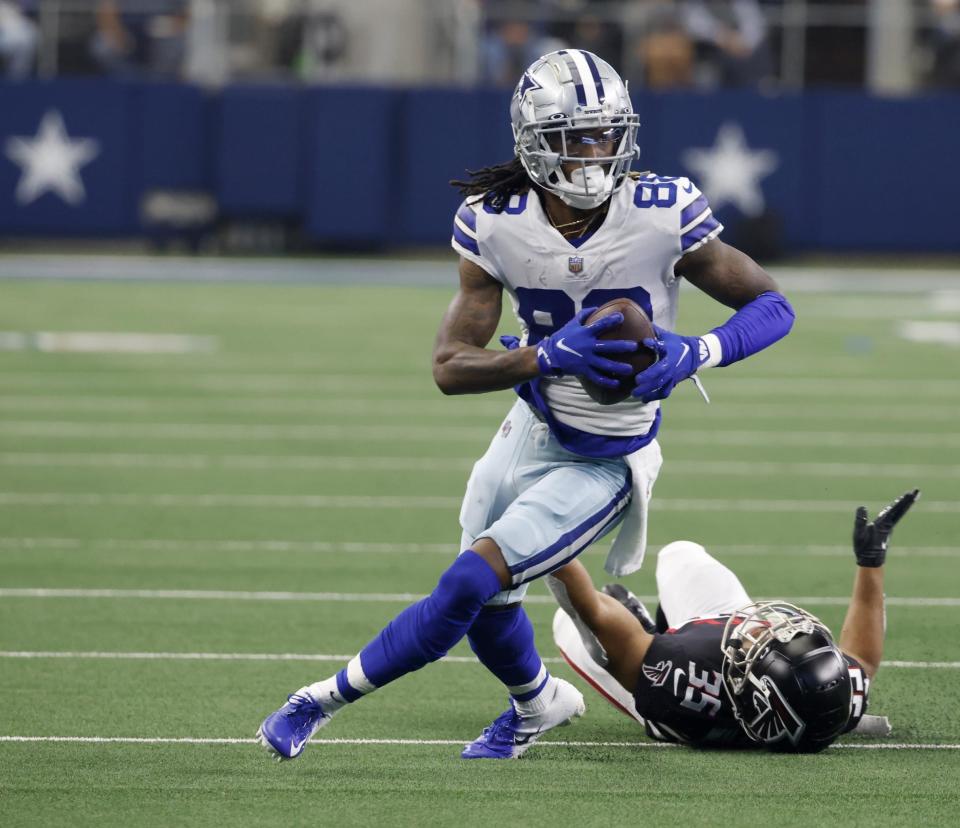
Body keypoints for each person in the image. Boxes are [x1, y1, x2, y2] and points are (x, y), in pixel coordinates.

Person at [257, 48, 796, 761]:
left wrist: (697, 352)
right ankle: (537, 701)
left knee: (466, 583)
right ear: (536, 140)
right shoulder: (495, 220)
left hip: (609, 456)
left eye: (607, 133)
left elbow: (772, 304)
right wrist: (545, 356)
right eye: (577, 136)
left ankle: (318, 700)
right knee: (489, 607)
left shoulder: (663, 211)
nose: (597, 151)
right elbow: (450, 367)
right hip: (531, 425)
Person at [549, 490, 919, 751]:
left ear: (755, 694)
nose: (758, 627)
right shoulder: (831, 696)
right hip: (730, 682)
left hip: (672, 682)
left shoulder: (686, 680)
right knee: (681, 555)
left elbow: (598, 617)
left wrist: (547, 538)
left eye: (760, 642)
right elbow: (863, 661)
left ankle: (648, 625)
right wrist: (871, 562)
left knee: (566, 624)